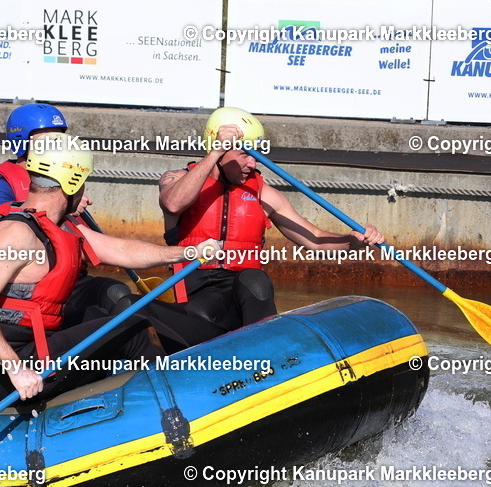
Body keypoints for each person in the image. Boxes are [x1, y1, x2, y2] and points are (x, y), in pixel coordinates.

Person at [0, 132, 224, 404]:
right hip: (6, 369)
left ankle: (113, 396)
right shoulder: (15, 233)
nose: (86, 193)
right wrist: (16, 369)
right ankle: (172, 406)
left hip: (33, 348)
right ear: (72, 184)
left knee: (98, 312)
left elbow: (120, 250)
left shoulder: (57, 224)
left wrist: (188, 252)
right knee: (135, 328)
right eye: (83, 183)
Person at [158, 106, 385, 331]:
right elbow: (173, 204)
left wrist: (355, 241)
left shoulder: (265, 194)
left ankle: (264, 349)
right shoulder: (176, 179)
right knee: (131, 305)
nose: (252, 163)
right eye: (245, 153)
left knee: (255, 280)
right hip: (192, 303)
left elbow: (315, 239)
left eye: (256, 154)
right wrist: (215, 152)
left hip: (239, 303)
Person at [0, 102, 129, 324]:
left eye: (59, 137)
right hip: (36, 286)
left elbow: (84, 241)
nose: (56, 143)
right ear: (21, 140)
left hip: (71, 279)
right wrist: (63, 209)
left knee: (117, 292)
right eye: (45, 138)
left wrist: (70, 207)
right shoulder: (2, 185)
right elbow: (6, 227)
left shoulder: (63, 174)